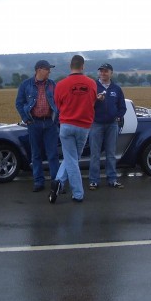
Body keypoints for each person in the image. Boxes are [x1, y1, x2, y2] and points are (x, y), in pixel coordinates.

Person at [49, 55, 97, 203]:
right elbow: (93, 101)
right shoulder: (92, 84)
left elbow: (57, 105)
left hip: (66, 125)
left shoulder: (60, 85)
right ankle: (78, 194)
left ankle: (58, 182)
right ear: (82, 66)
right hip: (83, 126)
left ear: (71, 66)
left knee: (71, 158)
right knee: (73, 159)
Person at [15, 60, 60, 192]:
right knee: (36, 154)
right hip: (34, 123)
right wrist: (25, 118)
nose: (49, 71)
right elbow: (19, 103)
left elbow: (59, 102)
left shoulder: (52, 84)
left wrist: (56, 118)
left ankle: (55, 182)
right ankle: (39, 182)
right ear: (39, 70)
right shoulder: (26, 85)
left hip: (50, 123)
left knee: (53, 154)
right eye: (47, 69)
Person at [88, 62, 127, 190]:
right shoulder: (93, 86)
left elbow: (122, 107)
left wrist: (118, 116)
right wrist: (95, 100)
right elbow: (86, 105)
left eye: (106, 71)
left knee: (111, 153)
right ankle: (94, 180)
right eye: (101, 71)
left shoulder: (116, 89)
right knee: (95, 154)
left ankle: (112, 179)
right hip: (96, 124)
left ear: (111, 73)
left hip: (112, 125)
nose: (103, 73)